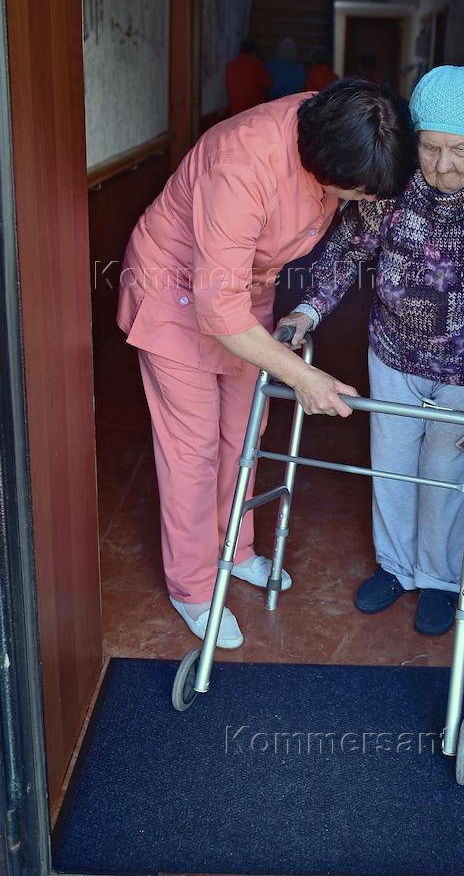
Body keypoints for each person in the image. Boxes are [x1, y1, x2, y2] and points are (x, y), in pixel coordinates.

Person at [117, 81, 414, 649]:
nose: (365, 203)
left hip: (243, 290)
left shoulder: (345, 125)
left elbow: (236, 302)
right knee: (193, 449)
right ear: (325, 164)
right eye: (358, 192)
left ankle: (235, 548)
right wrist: (302, 376)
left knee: (244, 431)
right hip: (175, 292)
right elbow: (218, 310)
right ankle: (193, 586)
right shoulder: (244, 163)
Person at [279, 65, 464, 636]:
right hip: (393, 350)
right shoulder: (398, 172)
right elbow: (350, 247)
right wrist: (307, 310)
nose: (443, 165)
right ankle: (395, 567)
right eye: (431, 148)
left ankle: (440, 578)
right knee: (391, 461)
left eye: (460, 150)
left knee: (446, 472)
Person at [225, 38, 271, 117]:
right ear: (254, 52)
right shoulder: (257, 65)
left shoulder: (231, 65)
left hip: (235, 111)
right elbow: (268, 84)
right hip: (253, 111)